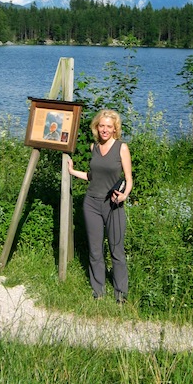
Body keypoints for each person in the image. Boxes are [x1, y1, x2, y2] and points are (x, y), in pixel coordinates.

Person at [68, 109, 133, 303]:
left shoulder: (121, 148)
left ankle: (120, 293)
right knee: (95, 250)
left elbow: (129, 179)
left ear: (115, 129)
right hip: (91, 204)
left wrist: (124, 196)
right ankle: (98, 291)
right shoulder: (93, 147)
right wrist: (72, 171)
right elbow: (92, 177)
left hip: (113, 204)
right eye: (101, 126)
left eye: (109, 127)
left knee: (116, 250)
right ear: (97, 127)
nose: (105, 130)